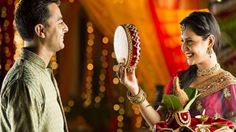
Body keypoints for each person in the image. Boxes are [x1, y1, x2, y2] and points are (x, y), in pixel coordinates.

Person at [117, 11, 236, 129]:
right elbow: (159, 122)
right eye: (182, 41)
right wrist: (135, 89)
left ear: (210, 41)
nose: (183, 48)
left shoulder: (229, 85)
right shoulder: (180, 79)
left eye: (190, 41)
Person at [0, 0, 69, 131]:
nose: (66, 28)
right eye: (60, 23)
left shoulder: (42, 71)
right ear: (41, 30)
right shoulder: (24, 82)